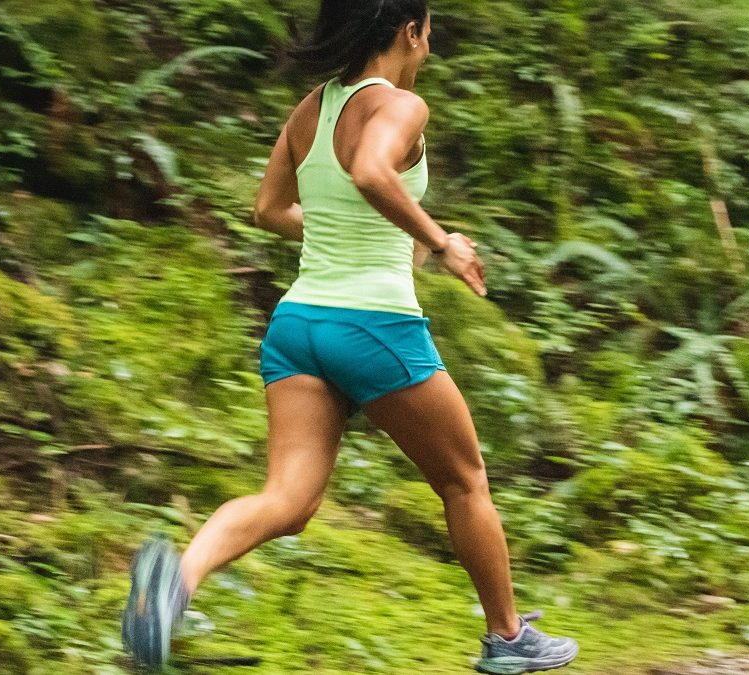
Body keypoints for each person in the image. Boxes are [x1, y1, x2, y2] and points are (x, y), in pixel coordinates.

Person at [120, 1, 579, 673]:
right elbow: (369, 170)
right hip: (373, 323)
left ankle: (172, 586)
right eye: (428, 28)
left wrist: (367, 234)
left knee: (288, 500)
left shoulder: (313, 107)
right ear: (408, 30)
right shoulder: (399, 106)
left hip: (299, 324)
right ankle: (509, 639)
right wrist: (439, 240)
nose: (431, 41)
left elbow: (268, 209)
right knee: (465, 480)